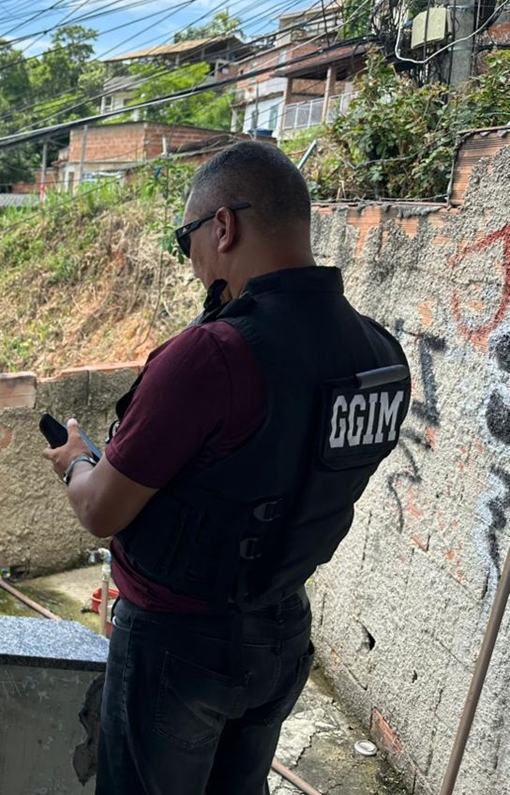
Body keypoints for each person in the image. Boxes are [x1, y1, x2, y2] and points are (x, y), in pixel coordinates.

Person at [44, 141, 411, 795]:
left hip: (179, 644)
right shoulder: (378, 351)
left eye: (188, 240)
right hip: (283, 631)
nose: (191, 264)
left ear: (223, 226)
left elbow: (102, 509)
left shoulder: (214, 355)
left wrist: (77, 461)